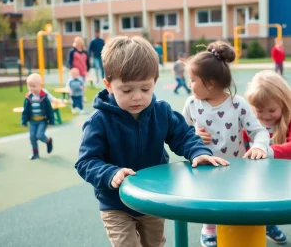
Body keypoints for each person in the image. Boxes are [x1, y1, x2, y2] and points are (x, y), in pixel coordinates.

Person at [75, 36, 229, 247]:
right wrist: (110, 173)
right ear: (109, 85)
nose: (137, 97)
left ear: (154, 82)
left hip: (153, 198)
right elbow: (86, 161)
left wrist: (198, 152)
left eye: (145, 89)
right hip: (115, 204)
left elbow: (183, 135)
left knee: (155, 244)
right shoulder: (99, 121)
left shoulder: (161, 111)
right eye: (127, 90)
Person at [182, 41, 269, 247]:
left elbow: (259, 131)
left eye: (193, 80)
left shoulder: (237, 103)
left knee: (236, 198)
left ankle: (256, 223)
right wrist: (193, 134)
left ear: (210, 83)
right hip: (203, 166)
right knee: (208, 198)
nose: (189, 84)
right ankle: (209, 227)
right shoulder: (192, 104)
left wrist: (259, 146)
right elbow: (180, 132)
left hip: (234, 166)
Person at [244, 70, 291, 244]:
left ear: (284, 103)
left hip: (282, 176)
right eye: (259, 110)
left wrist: (267, 150)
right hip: (256, 175)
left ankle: (269, 223)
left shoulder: (288, 122)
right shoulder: (250, 124)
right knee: (255, 198)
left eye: (272, 110)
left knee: (273, 201)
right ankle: (262, 223)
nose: (265, 116)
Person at [22, 73, 54, 160]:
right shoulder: (28, 97)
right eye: (29, 86)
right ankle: (35, 153)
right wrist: (24, 121)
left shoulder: (44, 97)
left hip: (42, 121)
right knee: (32, 137)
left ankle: (48, 141)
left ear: (40, 85)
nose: (31, 88)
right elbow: (25, 110)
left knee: (39, 135)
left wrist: (51, 121)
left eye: (33, 86)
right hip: (32, 121)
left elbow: (49, 110)